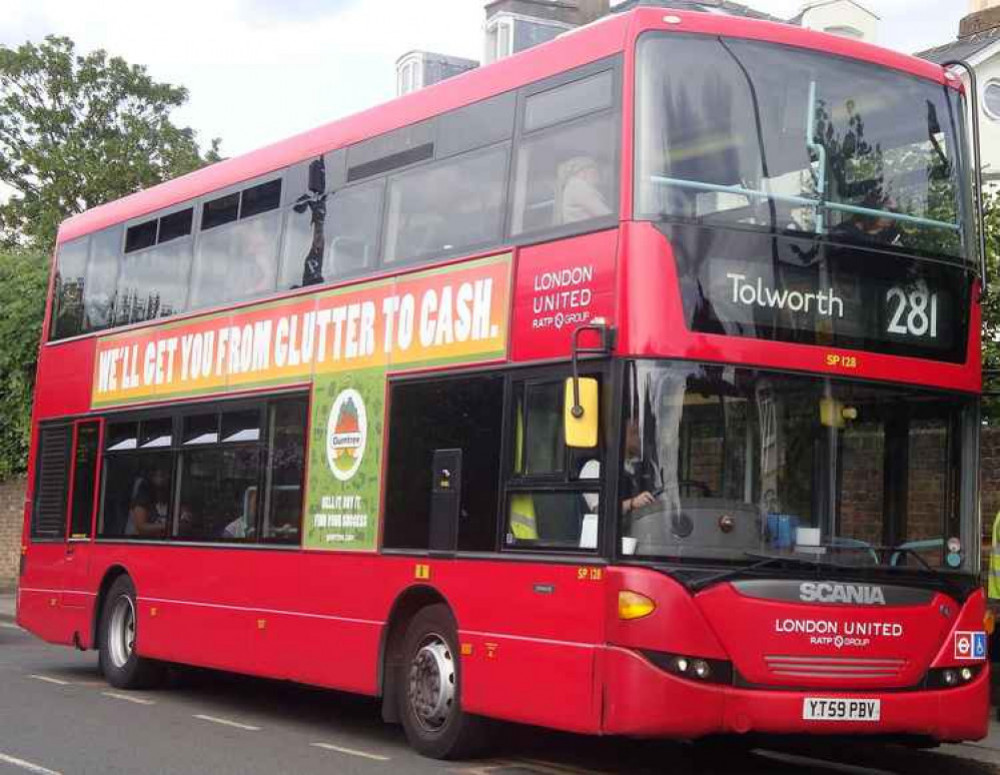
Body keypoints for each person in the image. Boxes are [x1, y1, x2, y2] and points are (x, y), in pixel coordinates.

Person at [557, 157, 612, 225]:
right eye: (593, 172)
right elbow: (604, 214)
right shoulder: (578, 186)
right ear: (581, 172)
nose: (597, 176)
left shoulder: (573, 186)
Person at [125, 466, 170, 537]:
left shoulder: (167, 499)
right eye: (161, 475)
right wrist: (168, 526)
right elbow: (141, 527)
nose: (164, 479)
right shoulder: (142, 498)